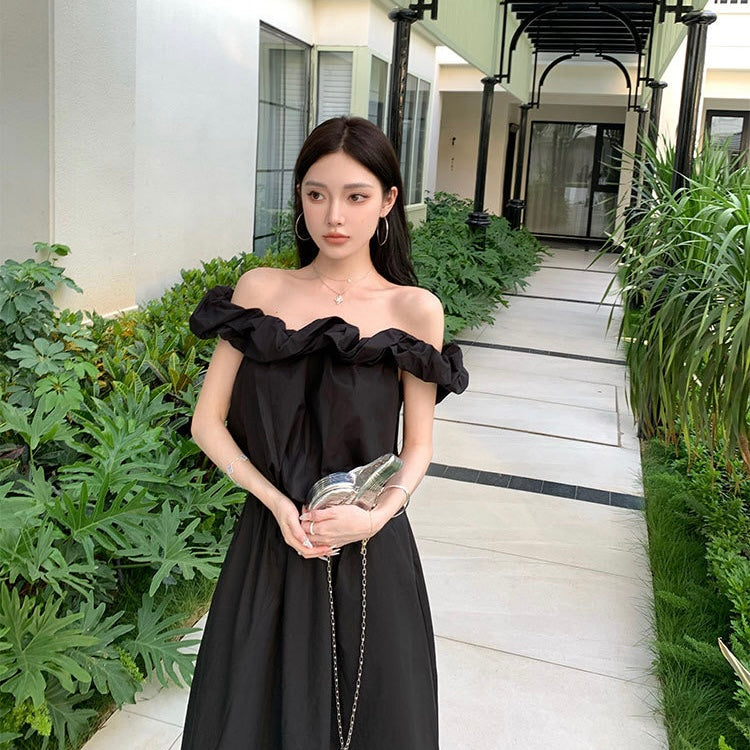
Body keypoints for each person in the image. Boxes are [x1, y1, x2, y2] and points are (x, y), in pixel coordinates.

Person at [182, 116, 468, 750]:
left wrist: (374, 517)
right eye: (317, 194)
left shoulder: (413, 309)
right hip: (271, 540)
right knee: (251, 720)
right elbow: (208, 423)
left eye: (355, 196)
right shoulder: (260, 291)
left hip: (367, 547)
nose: (333, 215)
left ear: (388, 202)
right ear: (300, 199)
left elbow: (418, 447)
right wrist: (276, 504)